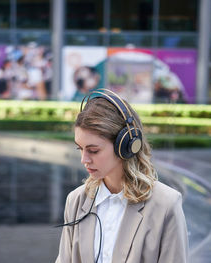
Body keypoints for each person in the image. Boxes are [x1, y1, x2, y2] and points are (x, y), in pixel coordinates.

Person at [56, 89, 188, 263]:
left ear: (126, 145)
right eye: (80, 149)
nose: (84, 159)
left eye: (93, 150)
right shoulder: (76, 201)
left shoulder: (166, 205)